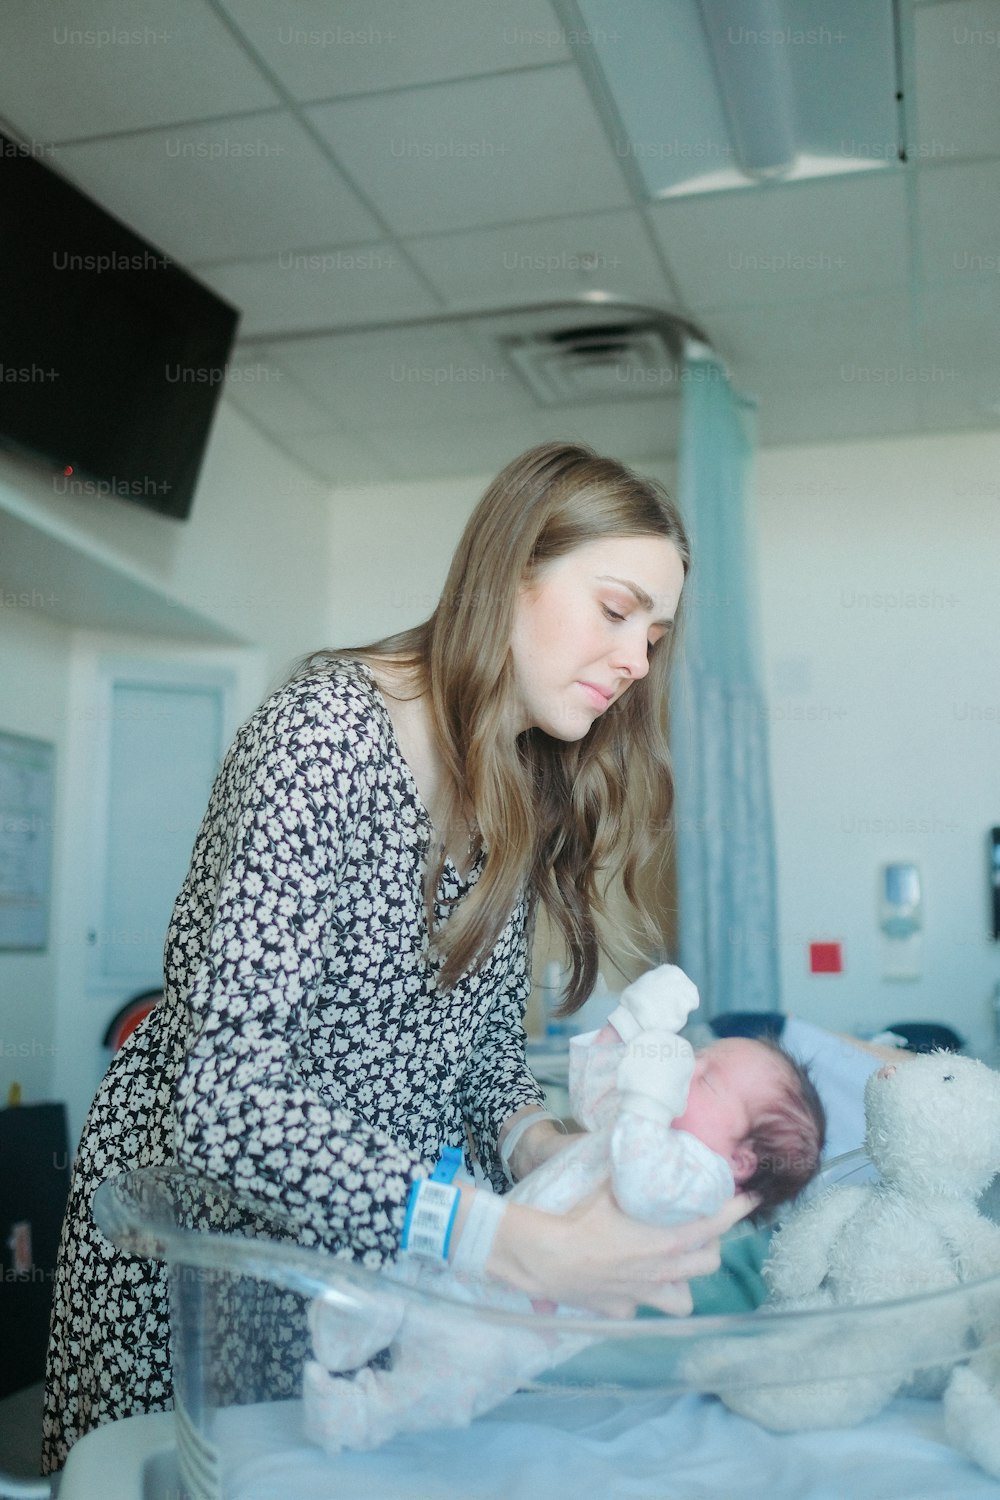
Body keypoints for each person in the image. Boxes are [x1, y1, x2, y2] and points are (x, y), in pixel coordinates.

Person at [42, 441, 755, 1473]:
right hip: (199, 1267)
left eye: (654, 634)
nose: (639, 660)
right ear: (510, 571)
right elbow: (222, 1101)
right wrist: (505, 1240)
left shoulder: (515, 784)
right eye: (615, 610)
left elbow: (478, 1062)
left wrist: (540, 1153)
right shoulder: (323, 736)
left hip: (362, 1269)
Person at [302, 963, 824, 1453]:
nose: (687, 1065)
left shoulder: (699, 1181)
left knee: (448, 1377)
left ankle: (362, 1414)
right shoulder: (650, 1127)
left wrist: (649, 1096)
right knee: (411, 1276)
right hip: (499, 1253)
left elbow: (641, 1182)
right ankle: (352, 1327)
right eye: (696, 1054)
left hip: (515, 1327)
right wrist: (632, 1022)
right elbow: (593, 1095)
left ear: (740, 1160)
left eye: (707, 1078)